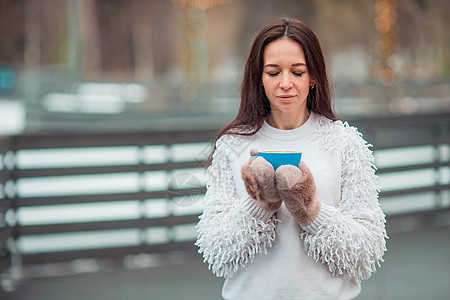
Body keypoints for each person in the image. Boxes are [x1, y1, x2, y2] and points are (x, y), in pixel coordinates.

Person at [195, 17, 387, 300]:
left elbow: (367, 249)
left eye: (297, 72)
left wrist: (311, 211)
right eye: (273, 73)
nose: (285, 83)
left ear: (313, 78)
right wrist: (259, 205)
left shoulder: (345, 143)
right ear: (259, 78)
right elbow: (215, 249)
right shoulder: (232, 145)